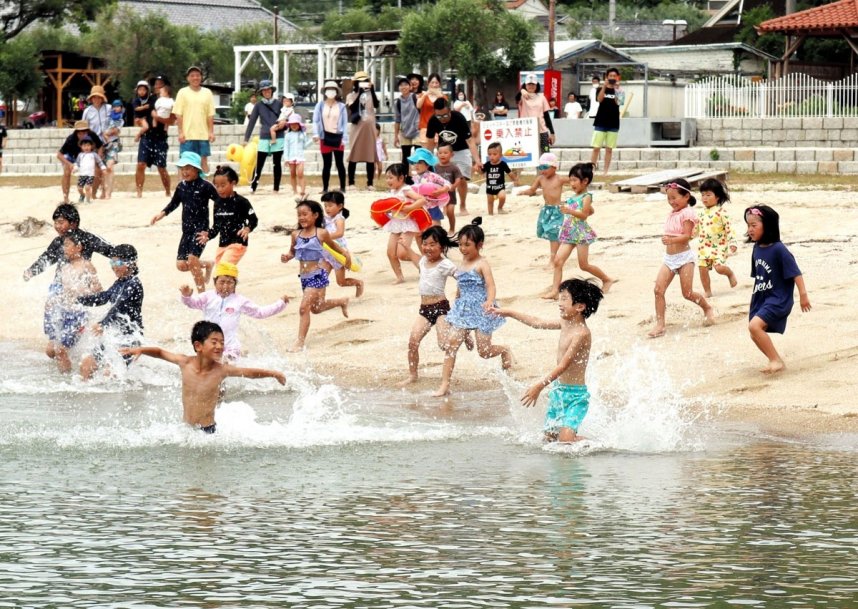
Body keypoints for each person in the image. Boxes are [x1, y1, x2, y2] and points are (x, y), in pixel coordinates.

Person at [121, 321, 286, 434]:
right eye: (214, 342)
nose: (219, 346)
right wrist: (141, 350)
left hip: (208, 432)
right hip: (186, 430)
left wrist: (273, 374)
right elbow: (160, 352)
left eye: (222, 342)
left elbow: (248, 373)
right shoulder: (185, 363)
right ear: (198, 346)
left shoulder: (221, 370)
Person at [493, 279, 604, 443]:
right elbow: (537, 323)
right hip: (558, 392)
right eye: (560, 298)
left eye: (565, 299)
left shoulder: (582, 334)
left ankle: (601, 446)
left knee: (566, 440)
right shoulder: (566, 323)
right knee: (549, 439)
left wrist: (539, 386)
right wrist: (509, 313)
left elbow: (563, 365)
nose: (559, 303)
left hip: (576, 397)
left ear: (580, 306)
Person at [23, 204, 113, 364]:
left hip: (79, 287)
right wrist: (31, 271)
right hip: (59, 288)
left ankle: (68, 346)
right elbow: (45, 259)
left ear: (73, 223)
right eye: (55, 223)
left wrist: (122, 257)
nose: (57, 226)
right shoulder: (58, 241)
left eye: (61, 222)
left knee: (64, 340)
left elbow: (108, 249)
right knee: (52, 345)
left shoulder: (87, 238)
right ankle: (62, 348)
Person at [435, 218, 512, 396]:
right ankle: (445, 385)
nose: (462, 249)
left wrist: (490, 302)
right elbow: (460, 286)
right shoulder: (462, 263)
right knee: (451, 346)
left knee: (484, 352)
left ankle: (505, 350)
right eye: (460, 245)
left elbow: (491, 285)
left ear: (479, 245)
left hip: (482, 309)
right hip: (463, 309)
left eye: (467, 245)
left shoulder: (482, 264)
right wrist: (456, 303)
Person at [745, 205, 811, 374]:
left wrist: (803, 295)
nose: (750, 229)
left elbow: (795, 273)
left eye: (754, 225)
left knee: (754, 327)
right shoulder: (757, 248)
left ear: (767, 225)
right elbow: (759, 276)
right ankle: (776, 360)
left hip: (779, 298)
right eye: (748, 225)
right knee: (753, 332)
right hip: (762, 298)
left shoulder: (778, 249)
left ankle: (775, 360)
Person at [648, 178, 716, 338]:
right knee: (658, 290)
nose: (671, 202)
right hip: (669, 258)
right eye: (668, 198)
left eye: (674, 198)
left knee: (687, 293)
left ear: (686, 196)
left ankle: (707, 308)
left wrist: (671, 240)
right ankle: (660, 324)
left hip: (684, 258)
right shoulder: (672, 213)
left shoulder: (687, 213)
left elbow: (686, 236)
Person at [280, 200, 352, 352]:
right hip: (304, 278)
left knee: (303, 308)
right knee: (316, 308)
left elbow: (336, 248)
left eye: (305, 214)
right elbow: (293, 252)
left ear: (315, 215)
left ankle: (299, 342)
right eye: (299, 215)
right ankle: (341, 301)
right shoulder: (295, 234)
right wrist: (287, 257)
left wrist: (347, 258)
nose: (302, 217)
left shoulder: (321, 233)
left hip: (318, 275)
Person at [180, 262, 288, 362]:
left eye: (230, 283)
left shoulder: (239, 301)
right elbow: (191, 303)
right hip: (209, 344)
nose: (225, 286)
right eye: (222, 282)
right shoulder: (207, 297)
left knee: (225, 363)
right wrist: (186, 295)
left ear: (235, 284)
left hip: (230, 347)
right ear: (215, 282)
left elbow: (260, 312)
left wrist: (281, 303)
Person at [399, 226, 459, 386]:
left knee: (444, 344)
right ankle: (413, 375)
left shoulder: (445, 264)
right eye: (425, 244)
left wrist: (461, 295)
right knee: (413, 342)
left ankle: (462, 334)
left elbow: (462, 277)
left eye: (432, 244)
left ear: (442, 246)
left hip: (441, 308)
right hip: (424, 310)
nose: (428, 248)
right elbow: (414, 258)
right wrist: (406, 246)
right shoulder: (423, 261)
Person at [151, 151, 218, 293]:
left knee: (192, 260)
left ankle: (202, 294)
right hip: (187, 230)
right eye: (182, 168)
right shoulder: (181, 186)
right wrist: (161, 214)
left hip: (201, 229)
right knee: (181, 265)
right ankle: (207, 264)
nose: (184, 172)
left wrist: (218, 224)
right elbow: (174, 203)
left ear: (196, 169)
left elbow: (220, 201)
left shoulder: (205, 186)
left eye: (188, 168)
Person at [546, 162, 615, 299]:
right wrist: (578, 211)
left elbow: (583, 216)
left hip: (581, 234)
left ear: (585, 181)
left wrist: (569, 211)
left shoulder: (587, 196)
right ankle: (555, 291)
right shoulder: (573, 197)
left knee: (583, 265)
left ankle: (606, 279)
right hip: (569, 232)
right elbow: (590, 211)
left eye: (574, 180)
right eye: (570, 180)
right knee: (558, 261)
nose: (571, 183)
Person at [78, 244, 145, 380]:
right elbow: (103, 297)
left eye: (117, 262)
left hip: (129, 338)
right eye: (112, 262)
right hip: (114, 336)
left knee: (111, 375)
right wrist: (78, 300)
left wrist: (103, 323)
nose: (113, 266)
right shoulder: (119, 283)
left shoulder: (134, 284)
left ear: (131, 263)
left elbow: (120, 305)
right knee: (86, 365)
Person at [50, 230, 103, 374]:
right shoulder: (64, 268)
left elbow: (98, 289)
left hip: (80, 313)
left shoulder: (87, 265)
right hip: (65, 313)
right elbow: (63, 292)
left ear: (78, 247)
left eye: (67, 245)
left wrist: (82, 295)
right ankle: (66, 379)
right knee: (56, 350)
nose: (64, 249)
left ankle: (71, 380)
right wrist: (54, 301)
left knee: (61, 349)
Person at [424, 97, 483, 217]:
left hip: (461, 150)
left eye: (445, 116)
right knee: (443, 181)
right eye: (439, 116)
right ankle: (446, 205)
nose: (442, 119)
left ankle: (462, 205)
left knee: (461, 179)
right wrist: (427, 160)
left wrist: (477, 160)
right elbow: (430, 142)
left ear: (449, 110)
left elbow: (470, 141)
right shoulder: (433, 120)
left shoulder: (459, 118)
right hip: (444, 151)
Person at [196, 165, 257, 266]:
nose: (219, 189)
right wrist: (208, 235)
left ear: (233, 183)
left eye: (223, 185)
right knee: (219, 275)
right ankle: (232, 281)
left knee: (225, 268)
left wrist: (247, 229)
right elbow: (217, 226)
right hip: (223, 244)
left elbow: (253, 220)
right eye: (217, 186)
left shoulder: (242, 202)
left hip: (238, 243)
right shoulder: (217, 203)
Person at [522, 153, 568, 280]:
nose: (543, 170)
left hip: (557, 210)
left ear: (554, 167)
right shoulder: (540, 179)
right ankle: (558, 252)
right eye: (541, 167)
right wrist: (523, 192)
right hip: (546, 210)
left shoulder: (559, 179)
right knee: (548, 233)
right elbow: (532, 190)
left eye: (546, 167)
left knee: (553, 233)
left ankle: (553, 260)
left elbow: (575, 180)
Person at [382, 163, 427, 284]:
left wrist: (410, 208)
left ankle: (424, 265)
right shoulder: (392, 191)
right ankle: (400, 277)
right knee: (390, 252)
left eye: (391, 177)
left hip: (408, 224)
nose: (388, 180)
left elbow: (422, 200)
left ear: (401, 178)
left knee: (401, 253)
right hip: (396, 223)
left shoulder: (406, 190)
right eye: (387, 177)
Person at [697, 178, 738, 297]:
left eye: (708, 195)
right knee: (702, 269)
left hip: (719, 247)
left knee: (719, 268)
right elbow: (695, 230)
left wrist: (733, 243)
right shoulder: (700, 213)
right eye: (703, 195)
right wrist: (686, 238)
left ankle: (729, 274)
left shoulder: (722, 212)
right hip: (704, 247)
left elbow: (729, 228)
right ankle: (707, 291)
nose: (705, 198)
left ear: (717, 197)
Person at [320, 190, 364, 297]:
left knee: (341, 282)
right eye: (325, 206)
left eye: (330, 205)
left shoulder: (339, 219)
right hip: (326, 253)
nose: (327, 208)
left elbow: (340, 233)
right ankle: (320, 301)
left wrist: (325, 237)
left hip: (338, 253)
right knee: (321, 278)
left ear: (340, 206)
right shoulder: (326, 219)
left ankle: (358, 283)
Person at [134, 79, 174, 198]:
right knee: (141, 164)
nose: (157, 86)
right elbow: (138, 116)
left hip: (161, 137)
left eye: (160, 84)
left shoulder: (168, 102)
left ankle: (167, 191)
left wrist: (157, 118)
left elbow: (172, 120)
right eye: (155, 84)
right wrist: (139, 121)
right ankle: (139, 192)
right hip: (147, 136)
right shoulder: (149, 99)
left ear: (165, 88)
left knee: (161, 167)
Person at [243, 79, 284, 193]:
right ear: (261, 92)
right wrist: (246, 138)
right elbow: (251, 122)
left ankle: (276, 188)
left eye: (268, 89)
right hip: (264, 136)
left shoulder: (279, 104)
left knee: (277, 163)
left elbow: (285, 119)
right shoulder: (258, 105)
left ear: (272, 90)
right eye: (264, 90)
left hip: (278, 136)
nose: (267, 92)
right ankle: (253, 187)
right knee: (259, 163)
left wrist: (281, 126)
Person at [173, 65, 216, 174]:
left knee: (203, 161)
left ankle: (205, 187)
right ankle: (183, 188)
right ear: (188, 78)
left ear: (201, 77)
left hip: (203, 135)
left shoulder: (207, 93)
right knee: (185, 162)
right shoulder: (182, 92)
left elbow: (210, 115)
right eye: (192, 75)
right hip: (187, 135)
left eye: (197, 75)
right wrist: (181, 132)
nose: (195, 78)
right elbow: (178, 115)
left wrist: (211, 132)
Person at [345, 71, 379, 190]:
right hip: (357, 127)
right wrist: (359, 93)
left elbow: (376, 104)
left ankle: (370, 182)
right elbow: (352, 107)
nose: (363, 84)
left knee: (370, 154)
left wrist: (372, 90)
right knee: (354, 153)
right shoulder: (350, 95)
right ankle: (351, 182)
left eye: (365, 81)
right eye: (360, 82)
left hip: (369, 127)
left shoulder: (370, 94)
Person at [56, 120, 103, 204]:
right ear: (76, 132)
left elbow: (100, 146)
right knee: (66, 171)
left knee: (97, 170)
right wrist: (69, 164)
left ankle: (93, 194)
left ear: (87, 132)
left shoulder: (92, 135)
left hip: (88, 156)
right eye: (79, 133)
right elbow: (59, 155)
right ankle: (65, 197)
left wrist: (97, 159)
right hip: (73, 157)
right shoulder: (71, 139)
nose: (82, 135)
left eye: (84, 132)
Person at [312, 80, 347, 193]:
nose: (330, 92)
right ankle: (325, 188)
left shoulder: (342, 106)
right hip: (324, 137)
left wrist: (344, 138)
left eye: (333, 89)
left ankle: (342, 187)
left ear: (337, 92)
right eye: (328, 89)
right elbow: (315, 120)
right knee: (326, 164)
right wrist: (316, 133)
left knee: (339, 163)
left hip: (338, 137)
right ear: (325, 91)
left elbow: (345, 123)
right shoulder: (320, 105)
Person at [590, 67, 624, 176]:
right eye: (610, 76)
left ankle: (605, 171)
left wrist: (617, 89)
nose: (612, 78)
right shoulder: (600, 88)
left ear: (617, 77)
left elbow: (619, 102)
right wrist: (604, 86)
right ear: (606, 77)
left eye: (614, 76)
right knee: (596, 148)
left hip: (613, 122)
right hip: (600, 121)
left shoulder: (620, 90)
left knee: (609, 149)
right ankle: (592, 170)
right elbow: (599, 100)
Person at [407, 147, 452, 227]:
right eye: (415, 162)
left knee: (435, 228)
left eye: (420, 162)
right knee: (420, 229)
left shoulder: (433, 176)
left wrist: (441, 191)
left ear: (427, 164)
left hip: (432, 206)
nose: (416, 165)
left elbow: (447, 183)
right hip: (420, 207)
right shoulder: (415, 178)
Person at [518, 73, 555, 153]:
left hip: (542, 131)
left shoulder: (542, 97)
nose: (531, 86)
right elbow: (516, 98)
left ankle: (545, 165)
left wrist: (552, 132)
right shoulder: (522, 97)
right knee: (527, 153)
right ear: (525, 85)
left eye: (533, 84)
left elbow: (546, 116)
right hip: (526, 131)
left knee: (546, 152)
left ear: (537, 85)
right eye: (529, 84)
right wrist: (522, 90)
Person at [434, 143, 464, 236]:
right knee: (437, 213)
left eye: (445, 153)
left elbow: (459, 179)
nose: (442, 155)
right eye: (440, 153)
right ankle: (437, 229)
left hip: (450, 195)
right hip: (438, 196)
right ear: (437, 154)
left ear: (452, 154)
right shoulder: (435, 167)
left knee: (450, 211)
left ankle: (452, 228)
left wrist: (453, 187)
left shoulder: (454, 167)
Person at [101, 99, 124, 199]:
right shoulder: (108, 118)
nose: (116, 108)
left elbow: (116, 131)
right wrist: (107, 133)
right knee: (103, 169)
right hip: (104, 143)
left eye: (118, 106)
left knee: (110, 166)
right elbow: (104, 130)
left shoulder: (121, 119)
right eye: (115, 106)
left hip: (114, 143)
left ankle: (108, 193)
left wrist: (108, 133)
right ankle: (104, 191)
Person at [393, 77, 421, 161]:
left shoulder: (416, 97)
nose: (403, 87)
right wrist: (396, 136)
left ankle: (421, 174)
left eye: (405, 85)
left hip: (417, 131)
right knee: (405, 157)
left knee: (419, 156)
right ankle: (405, 174)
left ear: (410, 87)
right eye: (401, 85)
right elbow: (397, 120)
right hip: (405, 132)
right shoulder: (398, 102)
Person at [416, 73, 446, 146]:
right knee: (427, 152)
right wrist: (426, 94)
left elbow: (445, 108)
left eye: (436, 83)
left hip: (439, 127)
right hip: (425, 126)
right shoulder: (423, 95)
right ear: (428, 83)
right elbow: (418, 106)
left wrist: (439, 95)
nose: (434, 85)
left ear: (439, 84)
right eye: (432, 82)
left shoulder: (442, 96)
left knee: (440, 151)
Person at [283, 114, 310, 197]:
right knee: (292, 174)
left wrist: (312, 141)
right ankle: (294, 190)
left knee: (300, 173)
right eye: (292, 124)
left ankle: (302, 190)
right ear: (290, 125)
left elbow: (305, 146)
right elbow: (286, 148)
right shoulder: (288, 135)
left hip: (300, 157)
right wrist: (286, 159)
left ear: (299, 125)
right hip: (291, 157)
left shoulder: (303, 134)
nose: (294, 126)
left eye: (296, 124)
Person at [482, 142, 512, 215]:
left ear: (500, 155)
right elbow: (482, 173)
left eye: (494, 154)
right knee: (490, 202)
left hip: (500, 187)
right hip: (490, 188)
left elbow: (509, 172)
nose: (492, 156)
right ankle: (491, 213)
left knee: (502, 196)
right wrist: (477, 169)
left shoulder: (503, 164)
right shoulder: (487, 165)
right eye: (489, 154)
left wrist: (515, 179)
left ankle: (500, 208)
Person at [74, 136, 106, 204]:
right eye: (84, 146)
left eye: (88, 145)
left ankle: (88, 200)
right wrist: (75, 168)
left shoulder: (94, 155)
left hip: (90, 174)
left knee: (88, 187)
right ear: (81, 147)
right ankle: (82, 195)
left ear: (91, 146)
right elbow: (77, 163)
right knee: (79, 188)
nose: (86, 147)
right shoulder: (80, 155)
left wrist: (103, 168)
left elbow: (99, 162)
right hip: (82, 174)